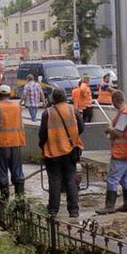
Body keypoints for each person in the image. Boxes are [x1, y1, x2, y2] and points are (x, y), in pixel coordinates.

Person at [38, 88, 84, 218]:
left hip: (53, 153)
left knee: (55, 181)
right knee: (71, 179)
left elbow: (42, 134)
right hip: (70, 151)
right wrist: (71, 139)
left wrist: (43, 146)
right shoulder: (73, 110)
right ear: (65, 97)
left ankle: (53, 210)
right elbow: (81, 127)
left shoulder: (47, 113)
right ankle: (74, 211)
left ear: (53, 99)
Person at [96, 89, 127, 214]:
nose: (112, 104)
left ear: (115, 100)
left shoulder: (124, 113)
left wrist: (109, 130)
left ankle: (109, 206)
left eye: (112, 101)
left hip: (122, 151)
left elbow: (119, 132)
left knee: (113, 178)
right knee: (125, 177)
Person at [0, 84, 26, 200]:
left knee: (1, 170)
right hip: (16, 142)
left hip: (0, 144)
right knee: (17, 169)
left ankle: (4, 197)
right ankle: (20, 199)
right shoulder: (17, 107)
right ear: (9, 95)